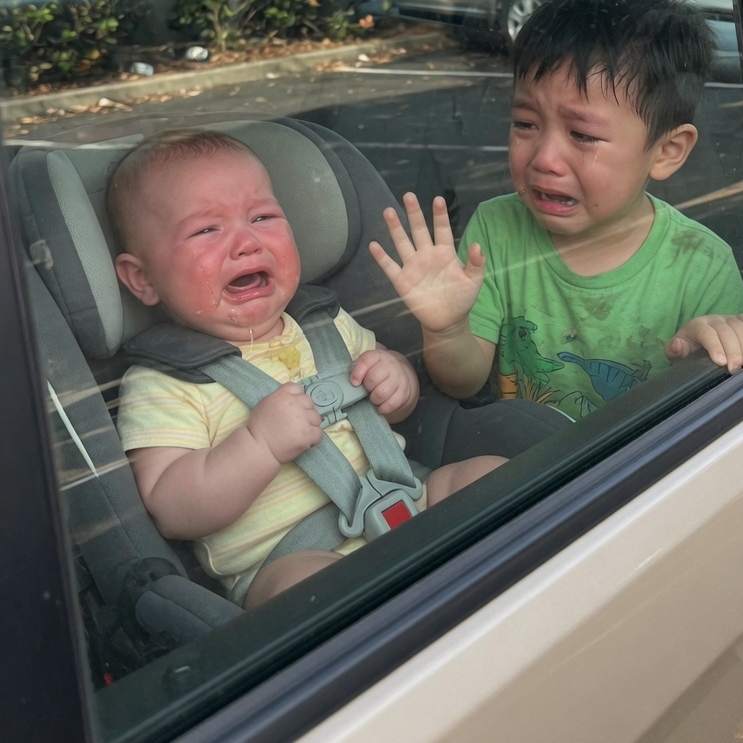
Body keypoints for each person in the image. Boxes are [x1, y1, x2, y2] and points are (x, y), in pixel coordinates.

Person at [110, 129, 504, 609]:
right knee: (310, 596)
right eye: (206, 230)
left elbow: (389, 410)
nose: (247, 242)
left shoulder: (324, 323)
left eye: (263, 216)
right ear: (143, 278)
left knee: (494, 475)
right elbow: (172, 505)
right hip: (293, 558)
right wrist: (260, 444)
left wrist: (395, 378)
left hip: (408, 495)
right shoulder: (164, 382)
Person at [370, 0, 743, 421]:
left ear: (666, 152)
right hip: (531, 469)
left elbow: (721, 413)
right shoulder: (496, 230)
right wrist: (446, 327)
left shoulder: (702, 265)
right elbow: (463, 380)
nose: (545, 158)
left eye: (582, 134)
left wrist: (699, 354)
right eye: (525, 123)